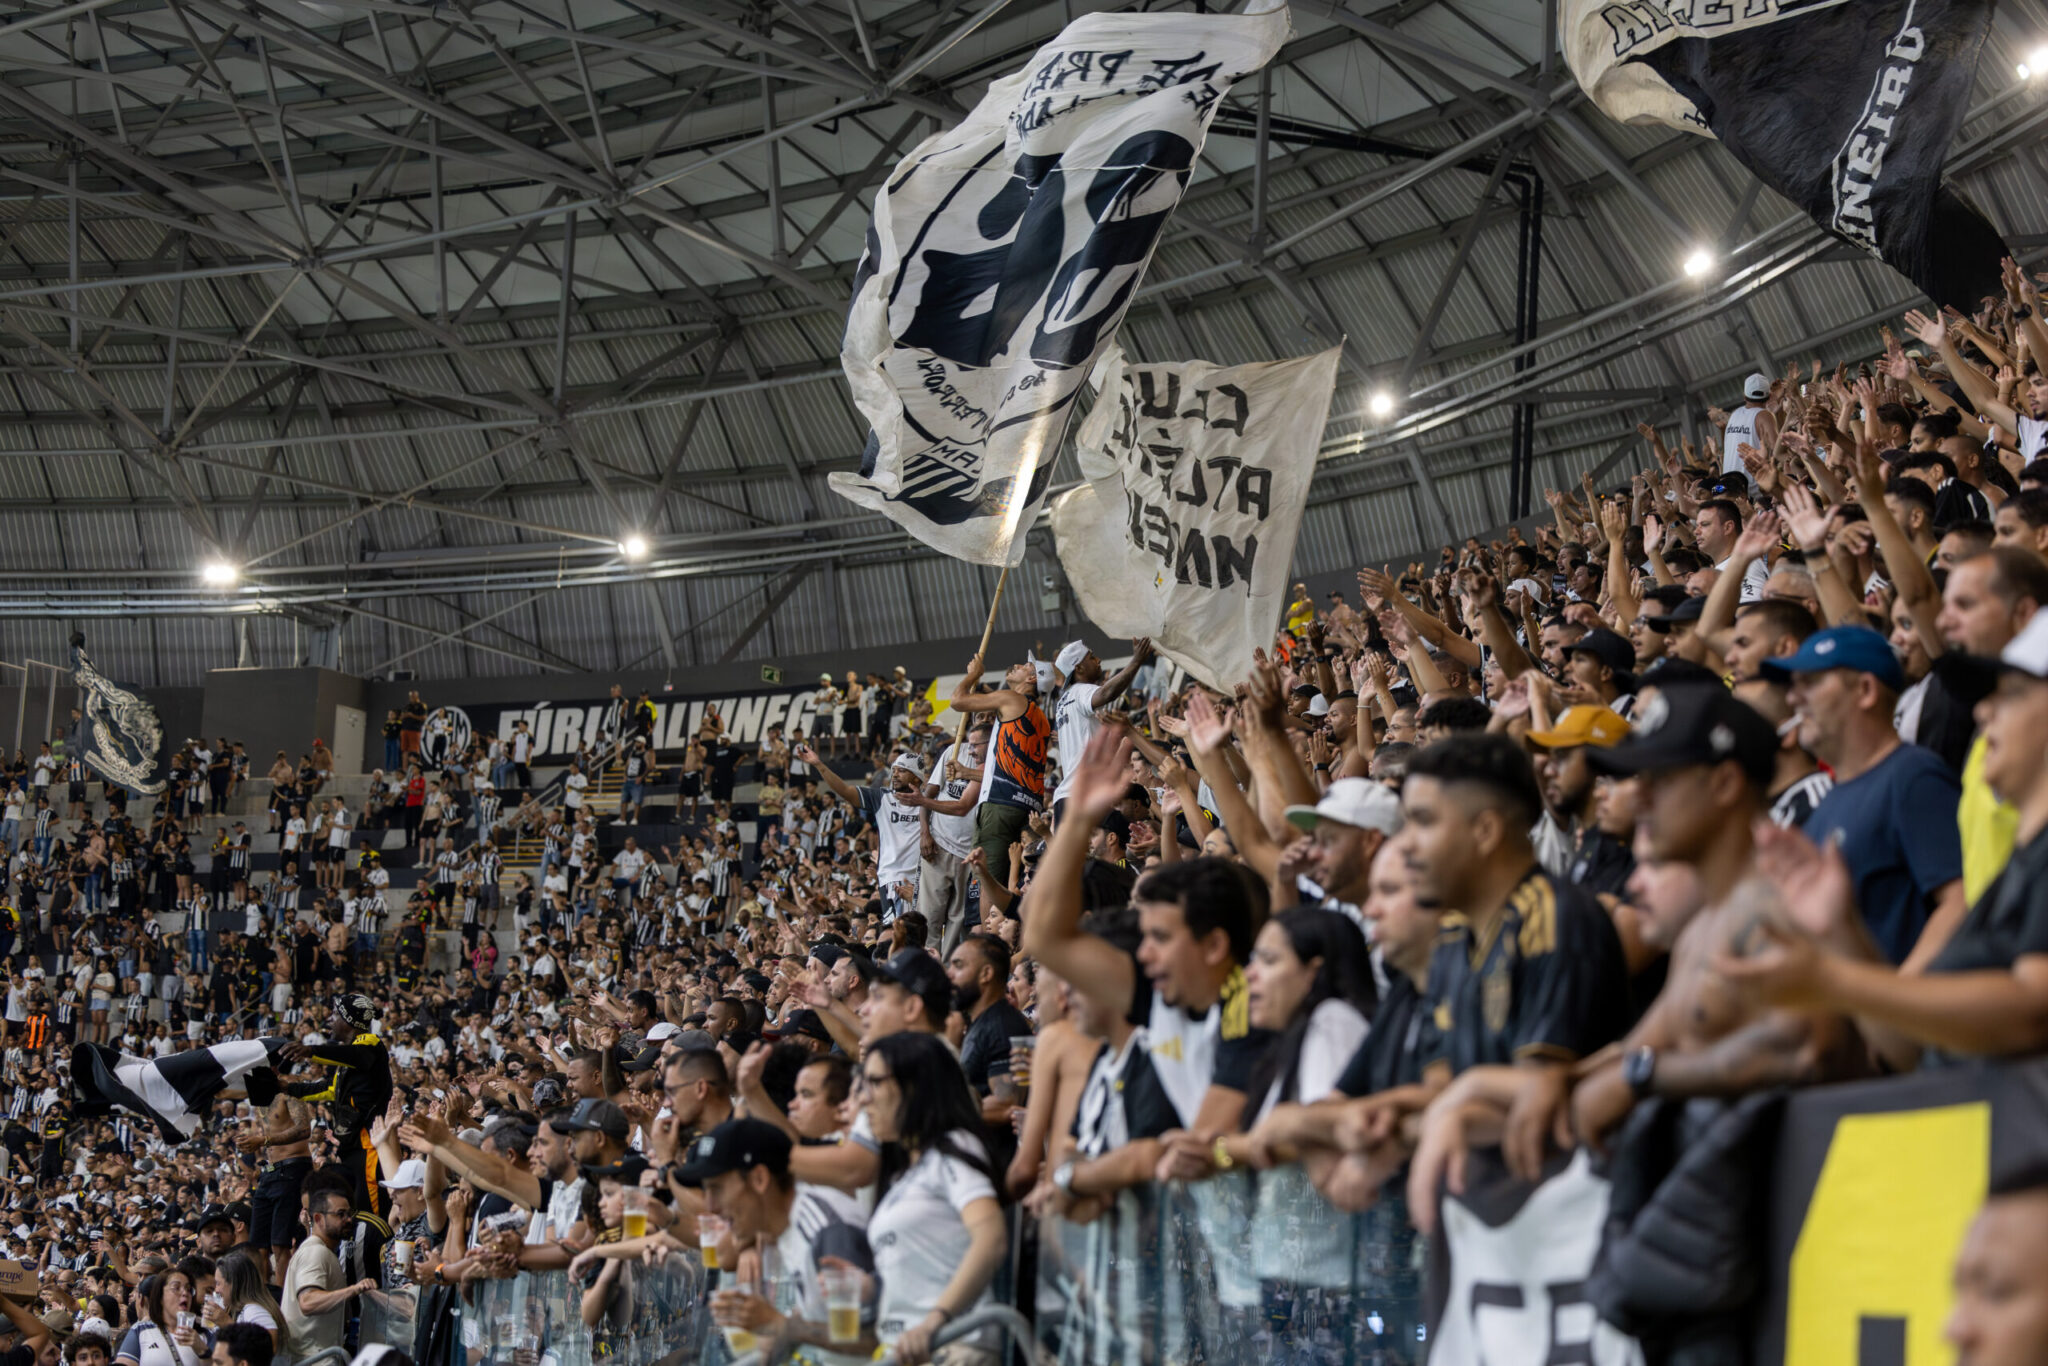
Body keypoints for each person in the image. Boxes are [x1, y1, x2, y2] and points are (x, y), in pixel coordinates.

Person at [1764, 626, 1967, 966]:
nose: (1792, 699)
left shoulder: (1913, 777)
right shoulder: (1828, 801)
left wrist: (1895, 1001)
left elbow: (1959, 902)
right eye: (1793, 686)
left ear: (1865, 690)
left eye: (1809, 683)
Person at [862, 1032, 1007, 1366]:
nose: (864, 1099)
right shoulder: (903, 1174)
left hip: (952, 1347)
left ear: (914, 1086)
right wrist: (867, 1286)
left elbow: (991, 1238)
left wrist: (934, 1321)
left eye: (875, 1083)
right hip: (904, 1352)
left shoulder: (954, 1149)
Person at [949, 653, 1052, 891]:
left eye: (1024, 665)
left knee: (989, 884)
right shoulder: (1041, 718)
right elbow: (1010, 772)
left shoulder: (1012, 699)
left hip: (999, 805)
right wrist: (966, 773)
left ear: (1032, 678)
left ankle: (988, 928)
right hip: (1027, 807)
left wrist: (974, 674)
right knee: (1013, 880)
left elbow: (957, 701)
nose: (1015, 664)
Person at [280, 1183, 374, 1362]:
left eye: (349, 1213)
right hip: (313, 1360)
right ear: (318, 1218)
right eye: (340, 1214)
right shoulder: (315, 1252)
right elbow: (307, 1303)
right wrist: (354, 1289)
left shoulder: (321, 1250)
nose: (348, 1219)